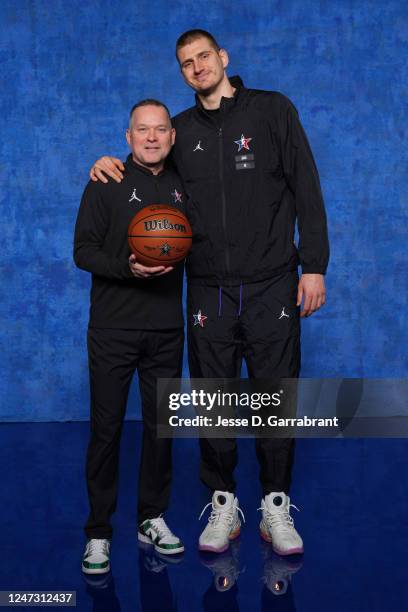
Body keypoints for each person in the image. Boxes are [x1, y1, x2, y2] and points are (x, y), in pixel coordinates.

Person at [88, 29, 329, 556]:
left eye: (204, 57)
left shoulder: (272, 111)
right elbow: (143, 171)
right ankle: (222, 504)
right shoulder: (174, 131)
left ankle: (276, 506)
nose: (197, 67)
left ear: (222, 57)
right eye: (186, 63)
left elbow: (307, 184)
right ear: (181, 73)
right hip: (207, 291)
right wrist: (107, 164)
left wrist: (314, 265)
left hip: (271, 282)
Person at [74, 100, 186, 574]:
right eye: (143, 130)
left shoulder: (186, 183)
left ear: (172, 137)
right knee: (107, 430)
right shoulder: (106, 180)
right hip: (113, 329)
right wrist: (127, 267)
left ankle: (151, 518)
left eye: (161, 129)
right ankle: (99, 531)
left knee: (161, 430)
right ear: (128, 136)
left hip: (166, 329)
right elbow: (82, 251)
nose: (153, 137)